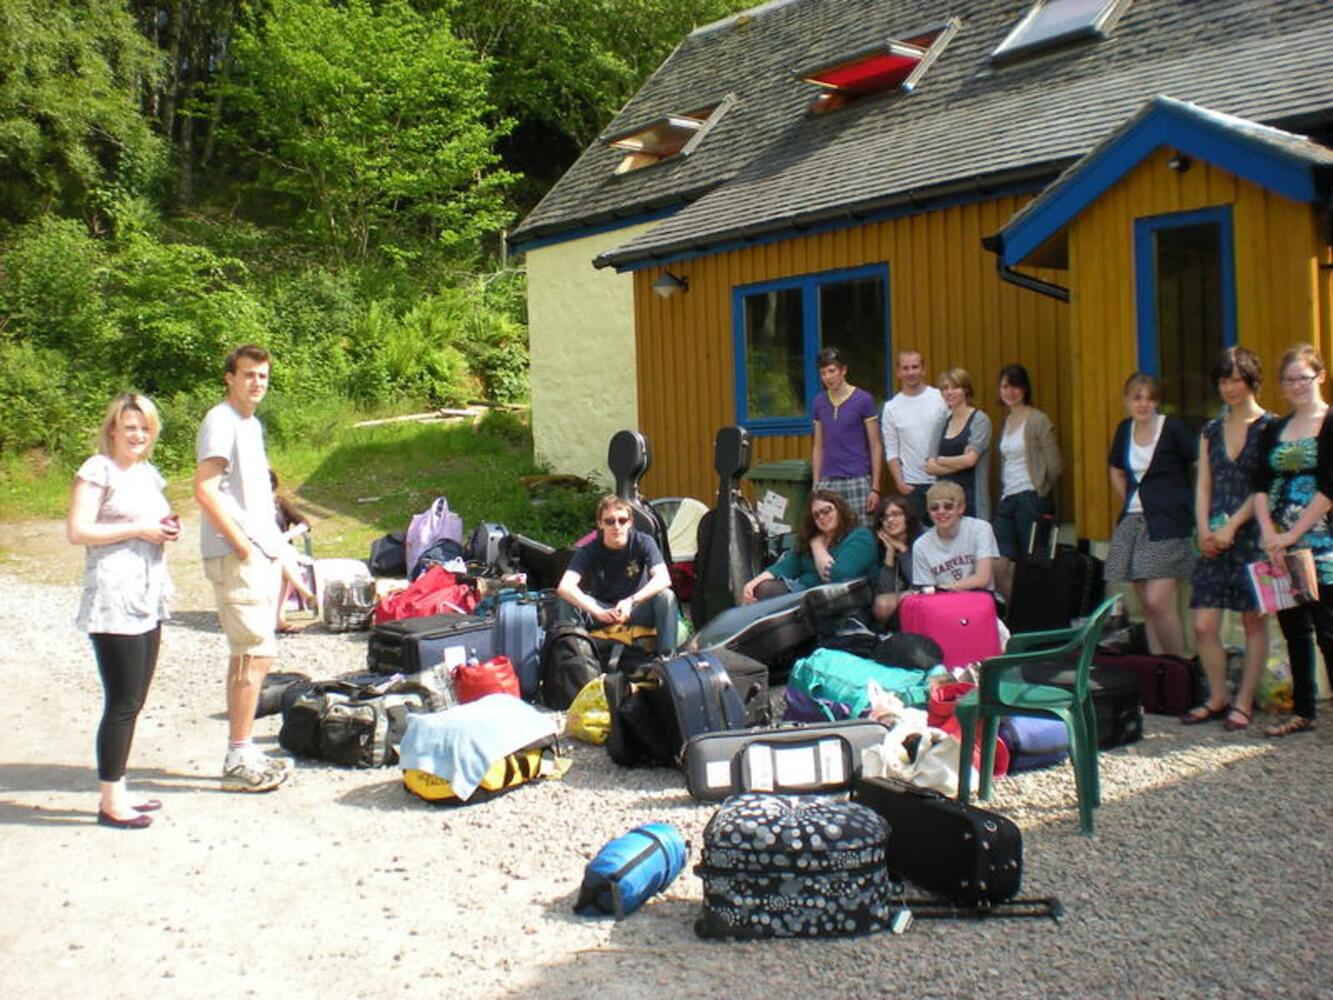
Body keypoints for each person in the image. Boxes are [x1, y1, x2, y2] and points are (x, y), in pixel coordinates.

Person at [67, 393, 180, 829]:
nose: (138, 435)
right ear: (112, 429)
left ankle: (120, 788)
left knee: (136, 700)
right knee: (122, 701)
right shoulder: (98, 469)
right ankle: (110, 801)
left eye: (145, 428)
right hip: (114, 599)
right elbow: (78, 531)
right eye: (130, 426)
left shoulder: (149, 473)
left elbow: (157, 519)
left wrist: (168, 528)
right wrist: (138, 529)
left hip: (148, 595)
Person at [194, 344, 290, 793]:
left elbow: (256, 498)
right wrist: (243, 546)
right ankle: (237, 755)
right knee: (252, 652)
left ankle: (244, 746)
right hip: (237, 555)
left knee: (256, 651)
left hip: (259, 551)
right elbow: (205, 489)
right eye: (248, 374)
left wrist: (276, 550)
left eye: (263, 376)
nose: (257, 383)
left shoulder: (251, 425)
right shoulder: (221, 420)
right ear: (229, 377)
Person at [1184, 348, 1271, 730]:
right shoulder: (1210, 429)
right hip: (1212, 537)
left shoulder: (1272, 427)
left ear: (1252, 380)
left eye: (1236, 379)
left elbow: (1264, 488)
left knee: (1254, 621)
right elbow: (1204, 483)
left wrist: (1231, 526)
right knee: (1204, 624)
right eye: (1224, 380)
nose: (1230, 388)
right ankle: (1218, 695)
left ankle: (1245, 701)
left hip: (1254, 533)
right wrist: (1204, 529)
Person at [1252, 344, 1333, 737]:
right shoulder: (1273, 429)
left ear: (1319, 376)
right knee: (1294, 630)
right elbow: (1260, 483)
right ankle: (1303, 710)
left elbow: (1330, 486)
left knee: (1328, 628)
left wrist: (1294, 533)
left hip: (1321, 541)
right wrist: (1270, 534)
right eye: (1289, 380)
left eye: (1304, 377)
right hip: (1279, 546)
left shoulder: (1330, 421)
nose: (1297, 386)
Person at [1105, 372, 1198, 658]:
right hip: (1134, 520)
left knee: (1158, 601)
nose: (1143, 404)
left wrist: (1188, 502)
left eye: (1149, 398)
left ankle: (1180, 667)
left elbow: (1199, 462)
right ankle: (1160, 673)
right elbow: (1116, 469)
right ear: (1127, 401)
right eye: (1137, 398)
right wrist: (1132, 498)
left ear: (1157, 401)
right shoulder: (1124, 430)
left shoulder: (1173, 429)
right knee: (1144, 604)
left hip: (1168, 521)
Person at [558, 495, 679, 651]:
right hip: (602, 610)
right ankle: (574, 659)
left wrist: (631, 601)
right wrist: (597, 611)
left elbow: (663, 578)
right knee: (567, 600)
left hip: (636, 609)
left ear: (630, 522)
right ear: (600, 524)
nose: (616, 526)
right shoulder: (589, 549)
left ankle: (666, 660)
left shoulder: (643, 541)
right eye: (610, 521)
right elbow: (565, 587)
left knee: (666, 596)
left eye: (622, 520)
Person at [992, 364, 1062, 602]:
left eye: (1015, 386)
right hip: (1008, 499)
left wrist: (1041, 490)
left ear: (1024, 389)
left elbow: (1055, 465)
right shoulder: (1008, 421)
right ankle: (1021, 617)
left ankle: (1034, 621)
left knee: (1031, 567)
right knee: (998, 566)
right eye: (1004, 386)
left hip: (1031, 497)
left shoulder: (1038, 420)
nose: (1009, 391)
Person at [741, 489, 877, 602]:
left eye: (827, 510)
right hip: (804, 594)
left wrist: (817, 545)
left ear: (840, 510)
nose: (822, 517)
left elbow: (834, 576)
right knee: (761, 588)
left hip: (839, 599)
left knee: (769, 594)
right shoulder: (812, 539)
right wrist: (753, 584)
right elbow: (786, 566)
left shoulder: (860, 537)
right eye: (816, 515)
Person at [811, 346, 883, 526]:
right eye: (823, 373)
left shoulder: (863, 400)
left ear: (843, 370)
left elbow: (875, 445)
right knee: (829, 533)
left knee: (860, 532)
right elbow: (818, 446)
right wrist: (816, 485)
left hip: (857, 478)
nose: (828, 377)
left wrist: (875, 487)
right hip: (828, 480)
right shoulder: (819, 402)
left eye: (832, 371)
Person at [881, 349, 947, 524]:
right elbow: (892, 450)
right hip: (912, 485)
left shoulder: (940, 398)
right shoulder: (891, 407)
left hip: (941, 480)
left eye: (915, 367)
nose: (911, 372)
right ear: (898, 372)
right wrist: (900, 483)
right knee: (917, 541)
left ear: (923, 369)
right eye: (905, 368)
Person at [925, 367, 992, 521]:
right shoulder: (941, 423)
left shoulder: (980, 420)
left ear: (966, 390)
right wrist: (960, 461)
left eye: (955, 387)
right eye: (945, 388)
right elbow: (929, 466)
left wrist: (941, 460)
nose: (949, 392)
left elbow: (971, 460)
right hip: (944, 504)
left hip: (972, 501)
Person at [910, 480, 1000, 592]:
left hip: (979, 596)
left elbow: (982, 579)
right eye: (934, 508)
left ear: (961, 508)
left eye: (948, 506)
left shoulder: (980, 528)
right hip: (943, 601)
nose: (941, 511)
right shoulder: (920, 545)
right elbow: (928, 590)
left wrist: (947, 588)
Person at [270, 468, 312, 634]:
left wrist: (287, 534)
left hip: (283, 550)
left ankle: (279, 619)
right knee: (282, 559)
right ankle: (305, 593)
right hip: (262, 553)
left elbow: (305, 523)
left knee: (282, 558)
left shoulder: (281, 503)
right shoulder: (251, 508)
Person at [872, 493, 923, 627]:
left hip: (928, 591)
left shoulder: (923, 539)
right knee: (881, 604)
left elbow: (918, 581)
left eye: (895, 514)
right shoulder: (883, 544)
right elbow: (886, 591)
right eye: (885, 516)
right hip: (905, 596)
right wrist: (889, 552)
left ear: (907, 516)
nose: (889, 520)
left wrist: (903, 550)